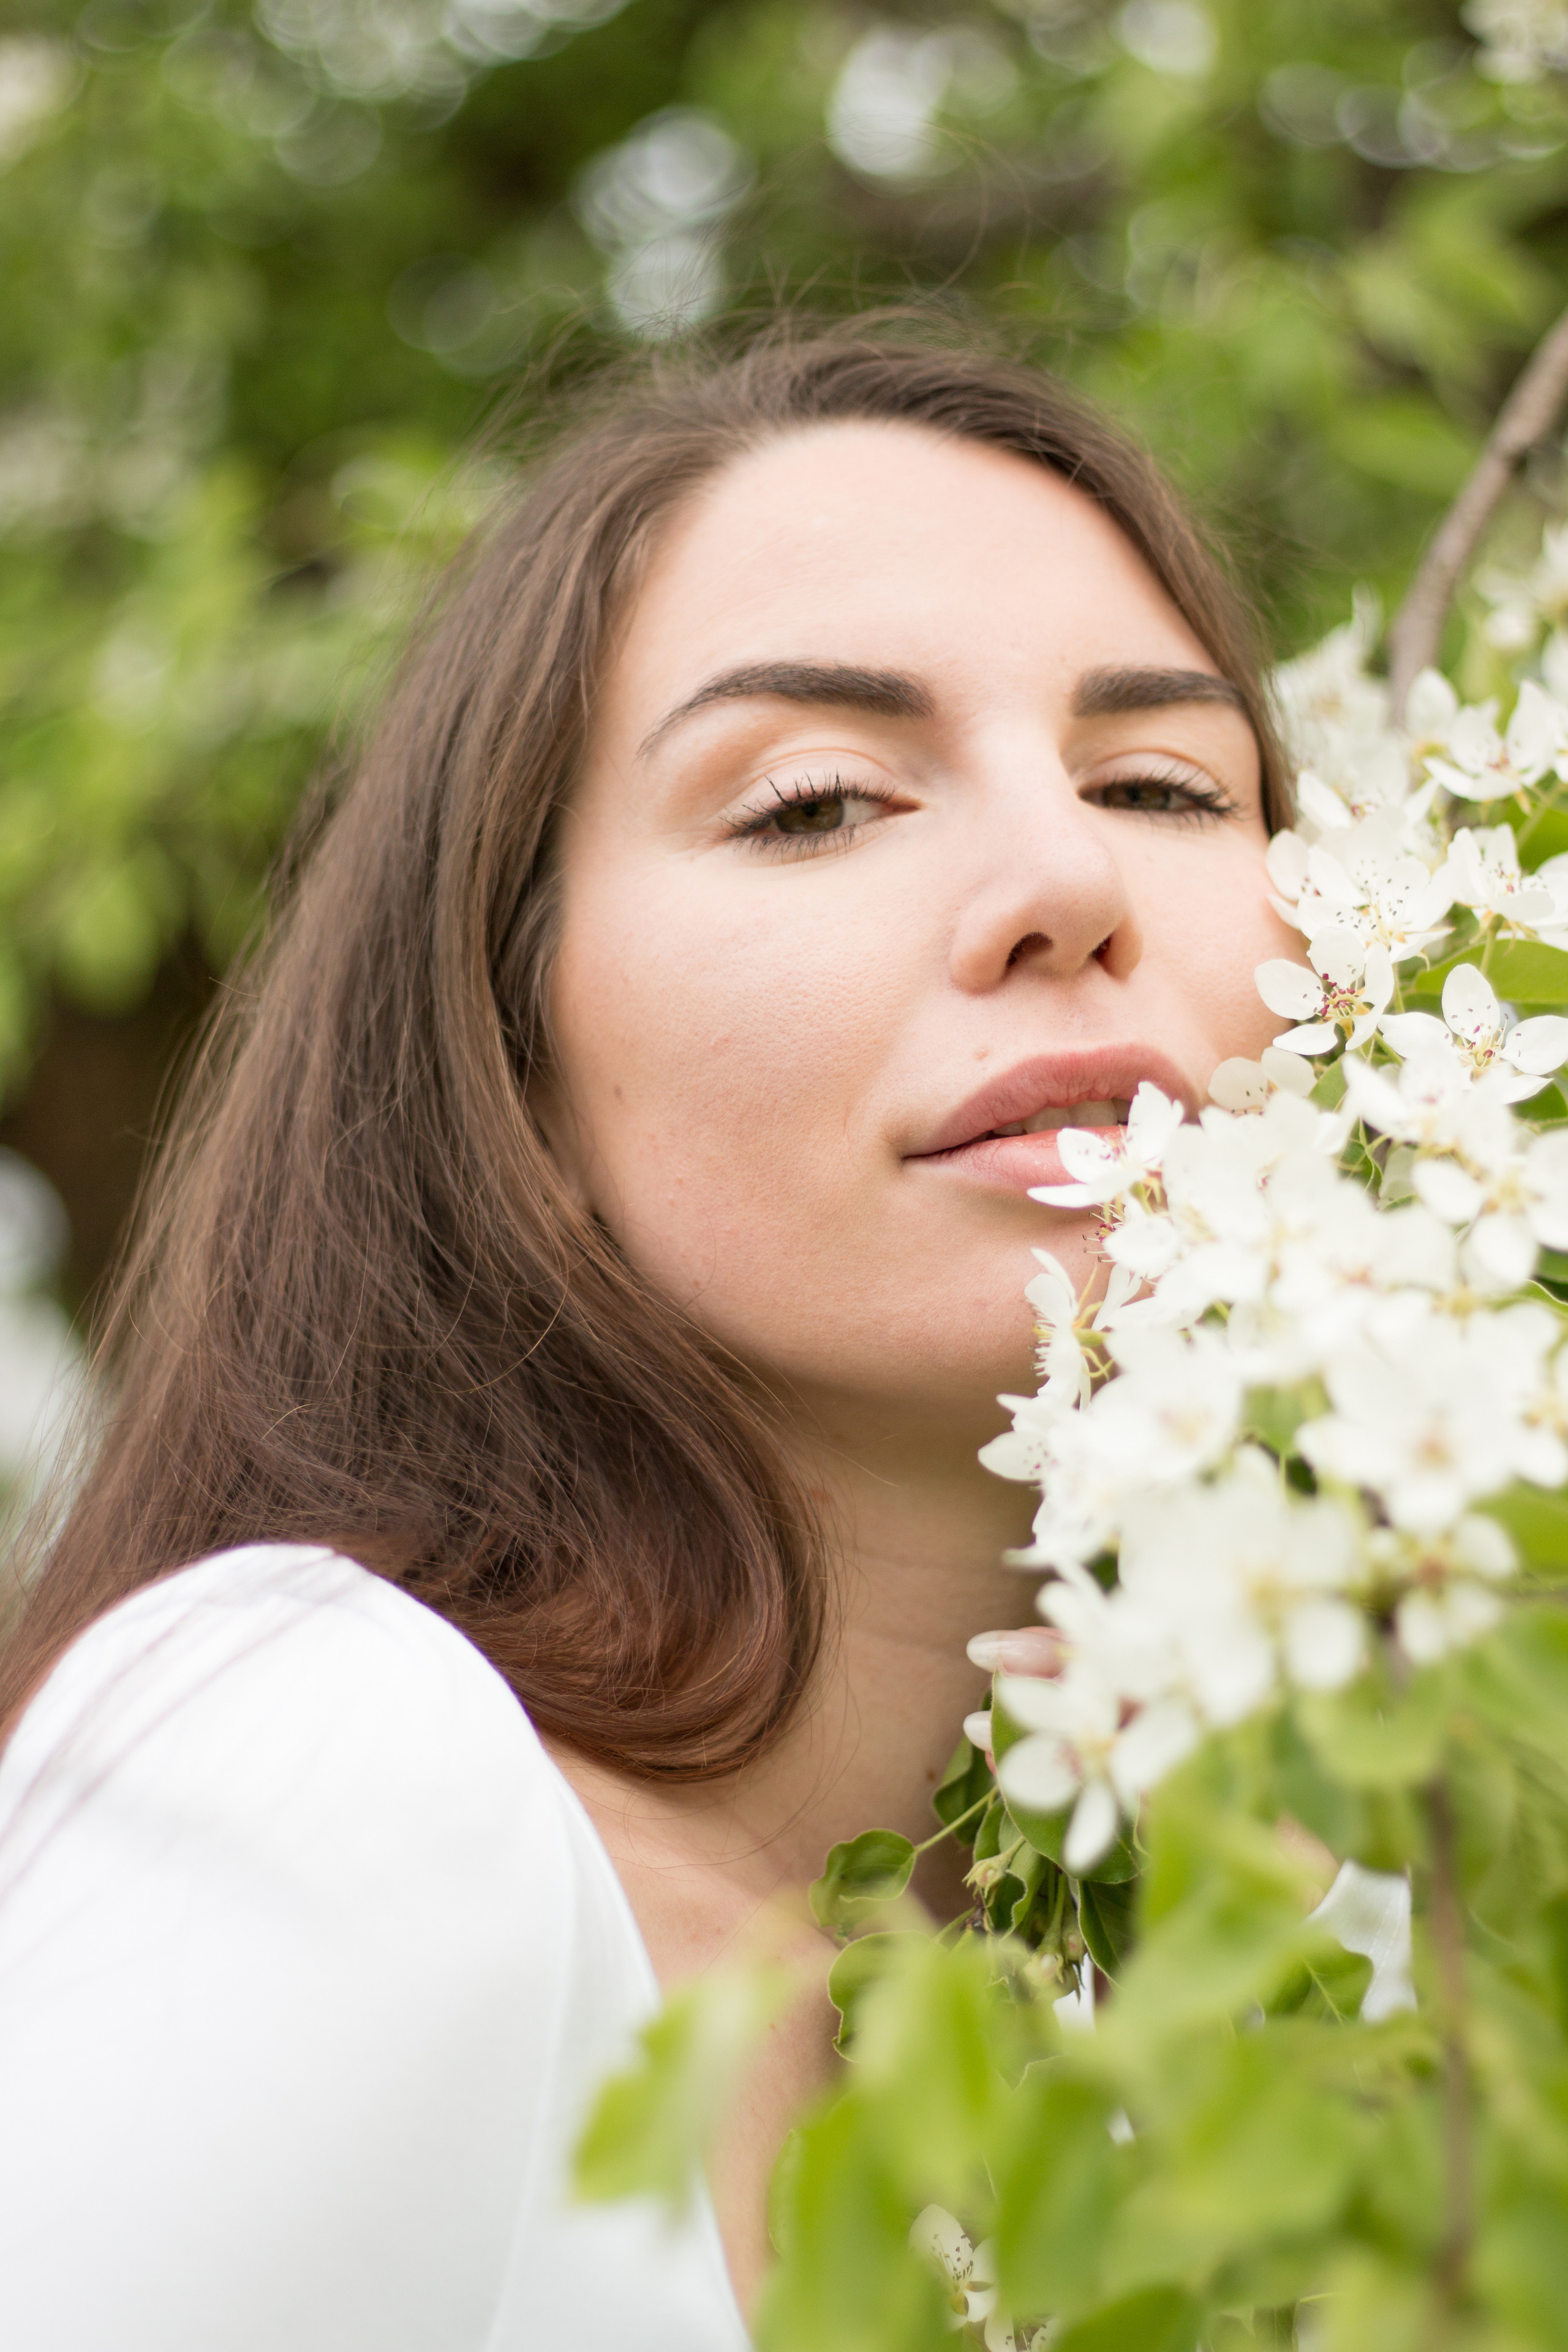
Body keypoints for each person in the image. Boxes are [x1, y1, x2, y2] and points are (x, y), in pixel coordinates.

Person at [0, 322, 1296, 2348]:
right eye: (814, 805)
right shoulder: (344, 1768)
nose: (1068, 875)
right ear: (513, 1069)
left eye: (1164, 782)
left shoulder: (1282, 1976)